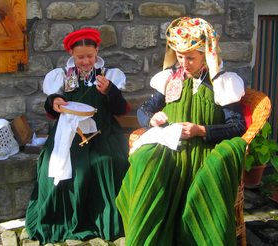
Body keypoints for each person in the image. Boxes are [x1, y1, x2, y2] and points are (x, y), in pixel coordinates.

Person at [116, 17, 248, 245]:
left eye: (190, 58)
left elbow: (237, 126)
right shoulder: (171, 78)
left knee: (203, 177)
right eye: (179, 56)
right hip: (170, 144)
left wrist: (201, 130)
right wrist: (151, 119)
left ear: (206, 54)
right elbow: (144, 110)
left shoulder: (221, 82)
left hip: (204, 147)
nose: (184, 63)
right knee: (145, 163)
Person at [25, 28, 130, 244]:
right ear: (72, 54)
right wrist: (54, 103)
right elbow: (52, 108)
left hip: (103, 133)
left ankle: (105, 220)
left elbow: (120, 109)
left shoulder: (108, 75)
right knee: (55, 166)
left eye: (89, 56)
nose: (85, 61)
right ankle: (63, 219)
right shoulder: (63, 76)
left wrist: (110, 92)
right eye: (80, 57)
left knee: (108, 162)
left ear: (97, 52)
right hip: (69, 134)